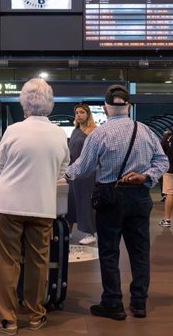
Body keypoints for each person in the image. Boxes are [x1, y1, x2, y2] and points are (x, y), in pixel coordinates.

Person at [66, 85, 169, 320]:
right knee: (140, 251)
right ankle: (139, 303)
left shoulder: (99, 134)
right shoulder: (144, 131)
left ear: (105, 107)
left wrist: (63, 174)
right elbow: (163, 161)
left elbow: (82, 169)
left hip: (110, 196)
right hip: (140, 195)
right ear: (129, 106)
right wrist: (145, 176)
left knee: (109, 251)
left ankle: (113, 303)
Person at [0, 79, 69, 334]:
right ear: (50, 104)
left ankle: (7, 320)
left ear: (24, 104)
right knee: (38, 262)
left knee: (7, 262)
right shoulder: (59, 134)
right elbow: (62, 172)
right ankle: (36, 315)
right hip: (42, 207)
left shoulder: (13, 130)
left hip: (7, 204)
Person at [69, 103, 98, 245]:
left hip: (87, 173)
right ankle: (67, 232)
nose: (79, 115)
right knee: (70, 201)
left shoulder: (94, 131)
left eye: (81, 112)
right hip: (72, 171)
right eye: (76, 113)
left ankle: (90, 232)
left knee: (85, 201)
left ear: (87, 114)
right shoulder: (75, 131)